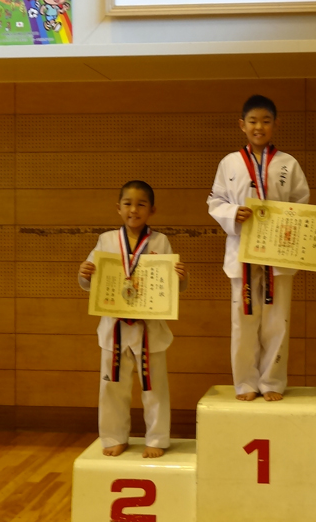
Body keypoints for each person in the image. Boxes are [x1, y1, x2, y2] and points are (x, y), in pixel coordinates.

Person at [207, 95, 309, 402]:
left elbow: (302, 203)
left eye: (266, 121)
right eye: (253, 121)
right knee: (243, 322)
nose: (259, 127)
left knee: (277, 323)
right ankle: (245, 383)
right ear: (242, 125)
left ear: (275, 125)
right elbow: (215, 201)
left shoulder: (288, 164)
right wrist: (232, 213)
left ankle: (273, 381)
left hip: (278, 254)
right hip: (242, 253)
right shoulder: (229, 163)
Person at [78, 180, 188, 458]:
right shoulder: (106, 240)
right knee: (112, 387)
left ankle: (157, 438)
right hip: (114, 327)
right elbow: (91, 282)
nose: (134, 210)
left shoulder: (160, 241)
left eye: (141, 204)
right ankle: (114, 436)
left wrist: (180, 278)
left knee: (155, 387)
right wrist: (85, 273)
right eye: (128, 204)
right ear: (118, 208)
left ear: (152, 210)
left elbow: (171, 288)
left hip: (150, 328)